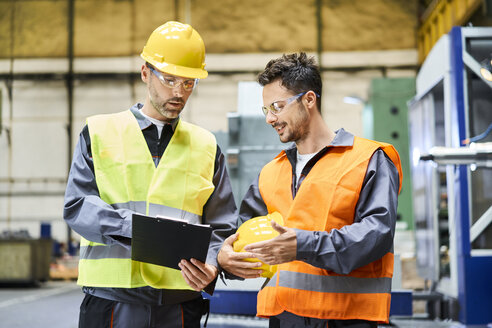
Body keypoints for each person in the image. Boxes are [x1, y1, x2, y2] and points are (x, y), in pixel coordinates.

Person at [64, 21, 238, 328]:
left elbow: (222, 225)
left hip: (180, 305)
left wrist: (212, 264)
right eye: (170, 80)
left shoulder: (207, 146)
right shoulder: (99, 133)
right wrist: (142, 231)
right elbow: (78, 206)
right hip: (111, 302)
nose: (179, 92)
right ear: (146, 73)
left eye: (188, 83)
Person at [218, 52, 402, 328]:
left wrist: (302, 245)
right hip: (285, 319)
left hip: (345, 320)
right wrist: (224, 258)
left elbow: (376, 233)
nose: (270, 118)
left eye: (277, 107)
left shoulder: (368, 159)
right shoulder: (271, 172)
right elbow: (241, 234)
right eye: (266, 109)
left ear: (309, 99)